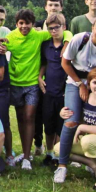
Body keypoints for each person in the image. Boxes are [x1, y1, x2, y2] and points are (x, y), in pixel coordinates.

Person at [2, 8, 72, 170]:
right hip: (16, 83)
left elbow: (66, 32)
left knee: (30, 116)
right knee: (20, 119)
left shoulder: (39, 35)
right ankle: (25, 154)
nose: (24, 26)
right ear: (16, 23)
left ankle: (27, 157)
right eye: (21, 23)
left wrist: (67, 43)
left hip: (33, 84)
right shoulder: (11, 37)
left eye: (27, 23)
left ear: (33, 24)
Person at [55, 14, 96, 184]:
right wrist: (80, 85)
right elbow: (65, 63)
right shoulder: (80, 39)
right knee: (71, 120)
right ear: (92, 28)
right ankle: (62, 166)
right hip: (75, 81)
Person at [37, 12, 69, 166]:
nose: (54, 31)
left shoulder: (69, 44)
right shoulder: (46, 44)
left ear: (64, 27)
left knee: (61, 126)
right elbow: (44, 63)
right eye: (50, 28)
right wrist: (39, 77)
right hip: (48, 91)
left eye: (57, 27)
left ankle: (58, 154)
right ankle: (49, 153)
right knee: (48, 125)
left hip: (64, 92)